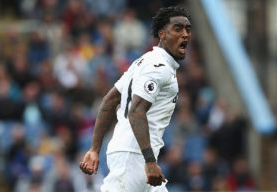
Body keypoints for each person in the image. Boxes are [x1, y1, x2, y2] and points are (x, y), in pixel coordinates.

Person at [79, 6, 192, 191]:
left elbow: (110, 100)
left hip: (136, 155)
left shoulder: (143, 61)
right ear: (162, 34)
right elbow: (136, 110)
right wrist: (149, 161)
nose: (185, 34)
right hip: (133, 157)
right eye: (178, 29)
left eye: (188, 29)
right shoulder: (159, 67)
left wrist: (94, 149)